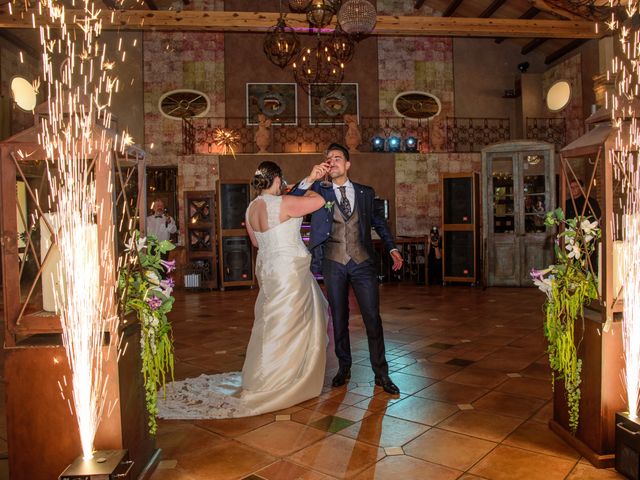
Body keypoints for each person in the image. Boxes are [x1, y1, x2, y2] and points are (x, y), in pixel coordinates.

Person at [158, 161, 328, 419]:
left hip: (268, 271)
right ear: (277, 179)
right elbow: (317, 202)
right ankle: (281, 379)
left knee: (271, 322)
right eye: (282, 181)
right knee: (290, 325)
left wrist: (301, 184)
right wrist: (313, 186)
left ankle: (265, 373)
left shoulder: (251, 208)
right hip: (288, 272)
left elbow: (256, 242)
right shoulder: (284, 203)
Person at [290, 143, 403, 395]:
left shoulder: (365, 192)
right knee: (338, 318)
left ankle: (381, 374)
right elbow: (291, 202)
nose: (332, 162)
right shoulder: (319, 189)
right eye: (328, 158)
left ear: (348, 164)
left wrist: (392, 248)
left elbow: (379, 224)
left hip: (362, 263)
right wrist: (310, 177)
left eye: (337, 158)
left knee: (372, 318)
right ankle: (344, 367)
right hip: (333, 263)